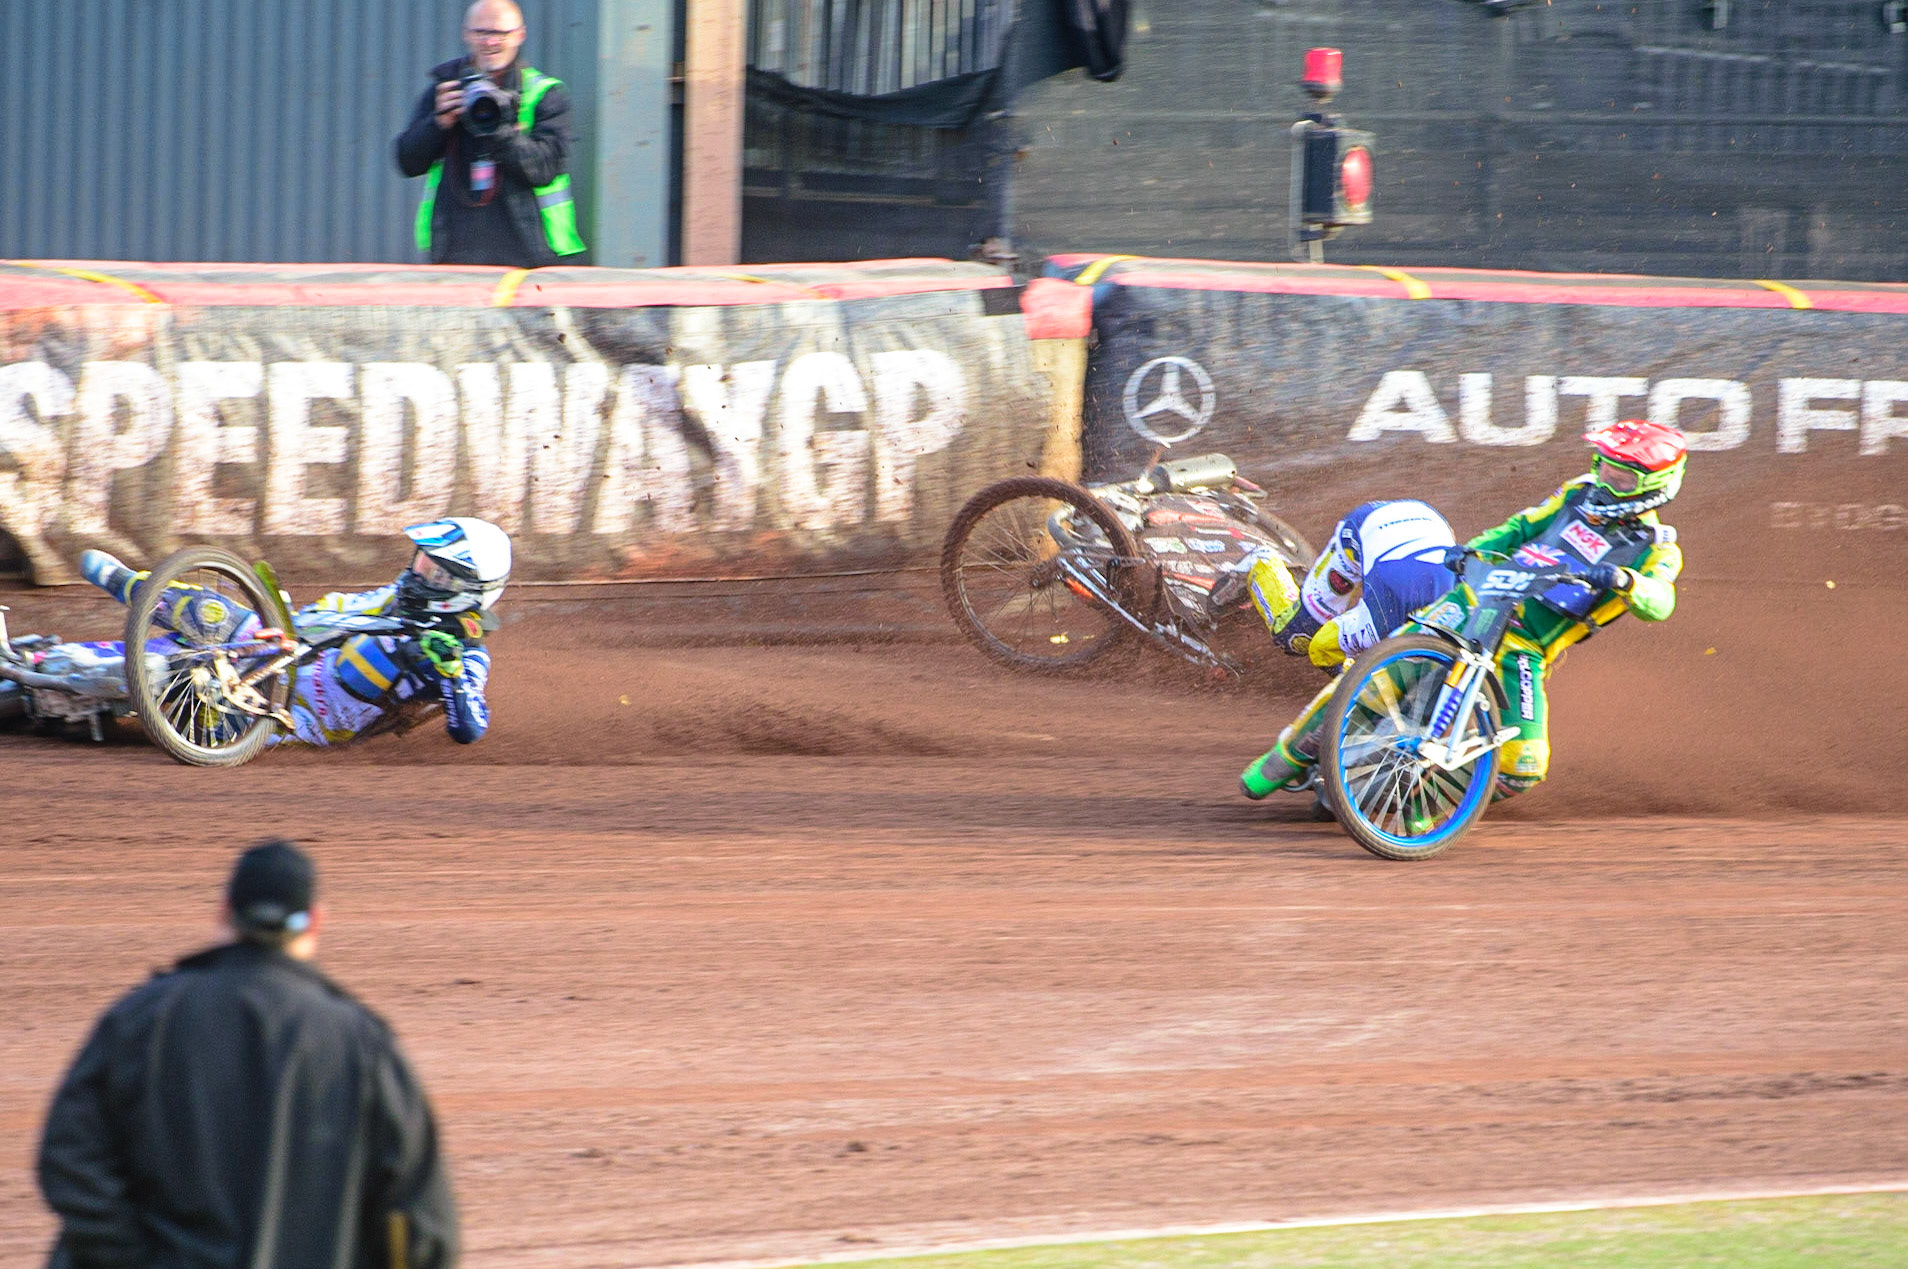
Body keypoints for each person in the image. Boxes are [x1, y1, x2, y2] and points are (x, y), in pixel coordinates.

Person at [37, 840, 459, 1269]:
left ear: (225, 912)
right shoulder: (362, 1044)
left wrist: (125, 1257)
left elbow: (71, 1158)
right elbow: (422, 1228)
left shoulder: (143, 1019)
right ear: (315, 922)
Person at [1239, 419, 1688, 802]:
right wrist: (1470, 551)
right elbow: (1520, 527)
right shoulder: (1576, 494)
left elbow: (1661, 601)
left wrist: (1628, 582)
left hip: (1524, 648)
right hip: (1476, 601)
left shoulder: (1657, 549)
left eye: (1622, 477)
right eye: (1604, 466)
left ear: (1656, 485)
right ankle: (1281, 760)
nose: (1606, 481)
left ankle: (1415, 798)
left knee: (1524, 767)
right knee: (1379, 681)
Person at [75, 517, 510, 748]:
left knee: (181, 688)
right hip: (284, 651)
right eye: (422, 563)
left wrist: (451, 673)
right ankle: (125, 589)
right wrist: (284, 627)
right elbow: (337, 611)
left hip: (291, 716)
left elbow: (470, 729)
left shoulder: (467, 654)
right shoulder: (398, 596)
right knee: (210, 614)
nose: (419, 576)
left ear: (469, 590)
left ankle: (110, 690)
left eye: (437, 574)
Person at [394, 0, 586, 267]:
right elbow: (407, 162)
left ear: (520, 35)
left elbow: (545, 170)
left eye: (500, 33)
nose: (490, 42)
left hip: (531, 255)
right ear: (466, 34)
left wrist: (499, 129)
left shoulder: (543, 94)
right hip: (454, 252)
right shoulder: (447, 90)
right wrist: (437, 123)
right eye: (481, 32)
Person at [1237, 498, 1458, 671]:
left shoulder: (1463, 608)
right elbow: (1320, 647)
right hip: (1362, 529)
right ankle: (1261, 560)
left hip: (1427, 521)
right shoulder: (1380, 622)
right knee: (1298, 637)